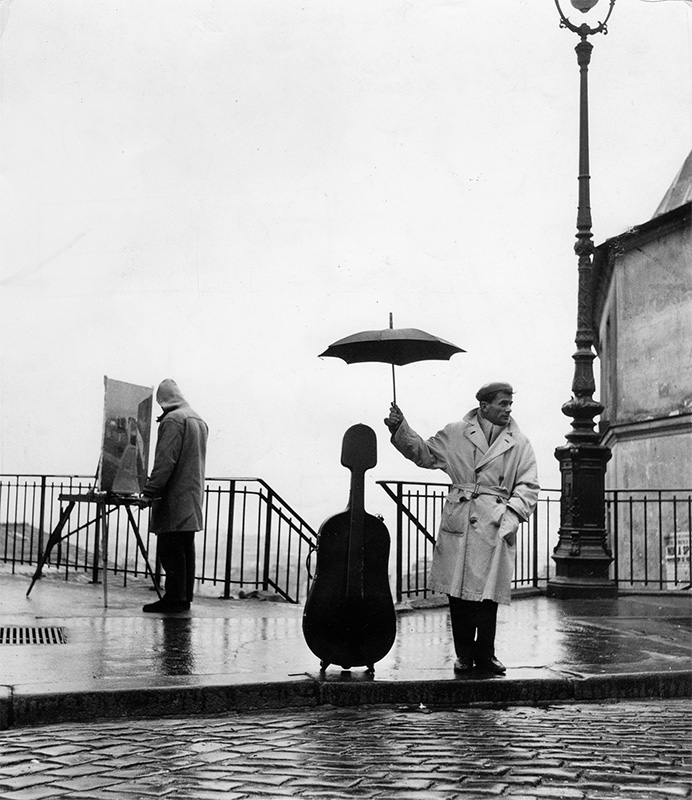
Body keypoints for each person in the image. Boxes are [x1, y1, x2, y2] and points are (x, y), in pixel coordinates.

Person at [384, 382, 539, 675]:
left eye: (510, 404)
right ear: (484, 406)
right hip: (461, 516)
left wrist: (511, 514)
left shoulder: (519, 442)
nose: (508, 409)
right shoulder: (456, 433)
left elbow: (528, 485)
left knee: (488, 593)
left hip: (495, 521)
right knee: (458, 593)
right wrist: (399, 428)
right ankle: (464, 654)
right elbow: (425, 454)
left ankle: (487, 654)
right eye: (503, 404)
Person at [141, 379, 208, 613]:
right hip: (192, 496)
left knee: (170, 549)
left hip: (174, 497)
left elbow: (164, 461)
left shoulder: (173, 420)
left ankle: (173, 598)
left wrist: (149, 492)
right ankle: (183, 598)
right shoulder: (197, 419)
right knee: (185, 548)